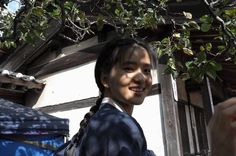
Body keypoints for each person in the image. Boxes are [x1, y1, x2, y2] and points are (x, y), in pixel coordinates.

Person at [63, 36, 157, 156]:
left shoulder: (101, 121)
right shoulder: (117, 125)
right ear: (105, 79)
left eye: (147, 70)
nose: (140, 78)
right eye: (128, 68)